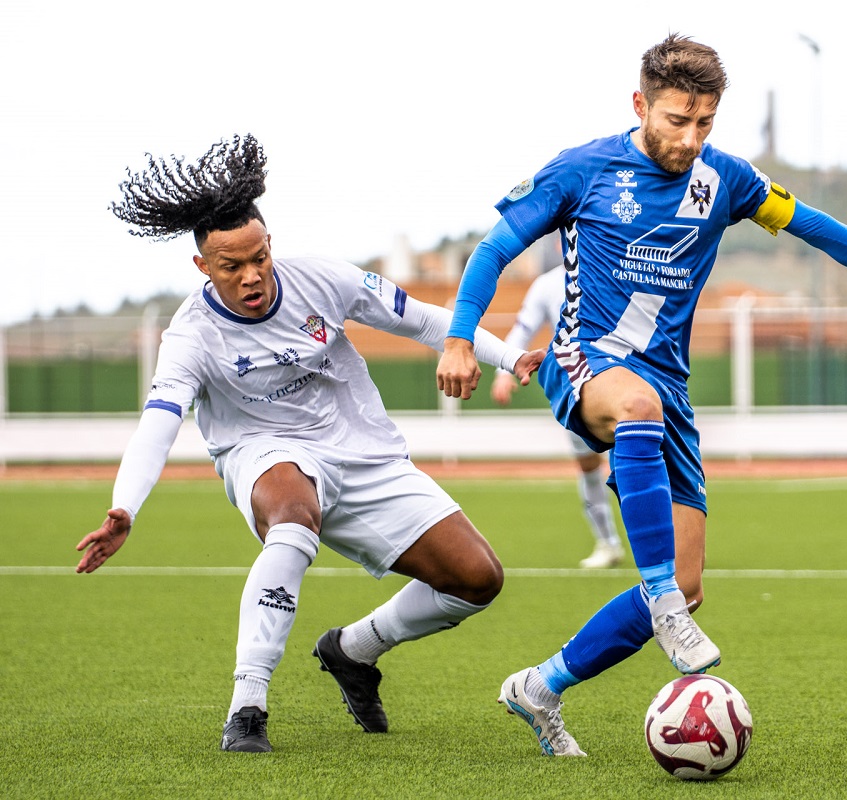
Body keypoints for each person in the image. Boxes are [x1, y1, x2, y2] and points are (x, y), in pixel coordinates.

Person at [436, 33, 847, 758]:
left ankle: (541, 685)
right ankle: (656, 596)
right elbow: (494, 249)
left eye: (704, 123)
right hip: (586, 362)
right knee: (637, 416)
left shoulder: (727, 180)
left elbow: (815, 227)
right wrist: (462, 336)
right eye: (674, 121)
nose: (689, 139)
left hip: (667, 389)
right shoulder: (584, 170)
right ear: (640, 105)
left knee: (689, 588)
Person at [74, 135, 543, 754]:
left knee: (477, 579)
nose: (251, 277)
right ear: (202, 268)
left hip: (362, 452)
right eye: (231, 266)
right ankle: (248, 705)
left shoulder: (320, 279)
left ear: (271, 244)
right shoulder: (191, 335)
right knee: (292, 520)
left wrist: (510, 357)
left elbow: (425, 320)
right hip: (265, 454)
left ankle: (353, 651)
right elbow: (158, 422)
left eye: (259, 258)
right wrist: (125, 507)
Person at [489, 263, 625, 569]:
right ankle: (608, 542)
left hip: (629, 376)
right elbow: (522, 329)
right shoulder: (547, 284)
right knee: (589, 466)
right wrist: (503, 370)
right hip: (579, 385)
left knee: (640, 457)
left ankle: (666, 543)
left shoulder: (613, 265)